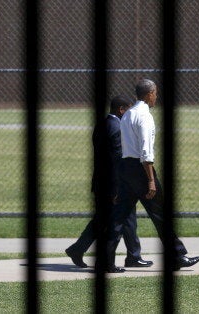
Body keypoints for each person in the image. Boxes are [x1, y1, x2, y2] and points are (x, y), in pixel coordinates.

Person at [105, 79, 199, 273]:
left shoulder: (127, 114)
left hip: (126, 168)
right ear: (149, 94)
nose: (156, 96)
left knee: (118, 217)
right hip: (141, 170)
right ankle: (177, 256)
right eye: (155, 93)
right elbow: (145, 152)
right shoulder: (144, 116)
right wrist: (150, 180)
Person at [65, 95, 154, 268]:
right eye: (128, 110)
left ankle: (133, 256)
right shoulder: (117, 128)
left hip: (102, 181)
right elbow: (115, 161)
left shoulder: (103, 124)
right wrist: (116, 189)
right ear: (121, 110)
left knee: (124, 219)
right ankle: (80, 250)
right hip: (113, 184)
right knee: (111, 221)